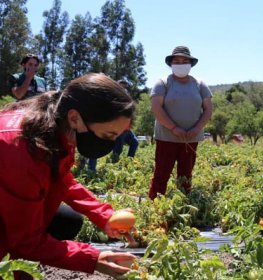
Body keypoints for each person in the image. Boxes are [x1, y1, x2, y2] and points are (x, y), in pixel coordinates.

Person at [0, 73, 138, 279]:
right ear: (75, 118)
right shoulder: (20, 150)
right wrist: (92, 258)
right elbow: (25, 241)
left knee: (67, 220)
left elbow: (63, 182)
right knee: (22, 249)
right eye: (108, 135)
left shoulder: (58, 129)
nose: (110, 144)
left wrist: (105, 216)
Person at [149, 46, 213, 200]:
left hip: (190, 138)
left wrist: (197, 128)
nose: (181, 63)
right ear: (171, 63)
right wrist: (173, 128)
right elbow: (156, 108)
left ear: (191, 64)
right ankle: (155, 205)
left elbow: (208, 109)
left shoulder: (199, 84)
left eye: (185, 61)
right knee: (161, 173)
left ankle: (183, 204)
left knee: (186, 174)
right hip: (166, 137)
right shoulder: (162, 83)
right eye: (177, 60)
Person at [78, 79, 139, 171]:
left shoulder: (126, 99)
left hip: (124, 128)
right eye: (122, 87)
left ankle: (126, 164)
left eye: (126, 88)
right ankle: (88, 168)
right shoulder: (111, 97)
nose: (124, 90)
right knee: (93, 144)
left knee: (134, 142)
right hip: (108, 126)